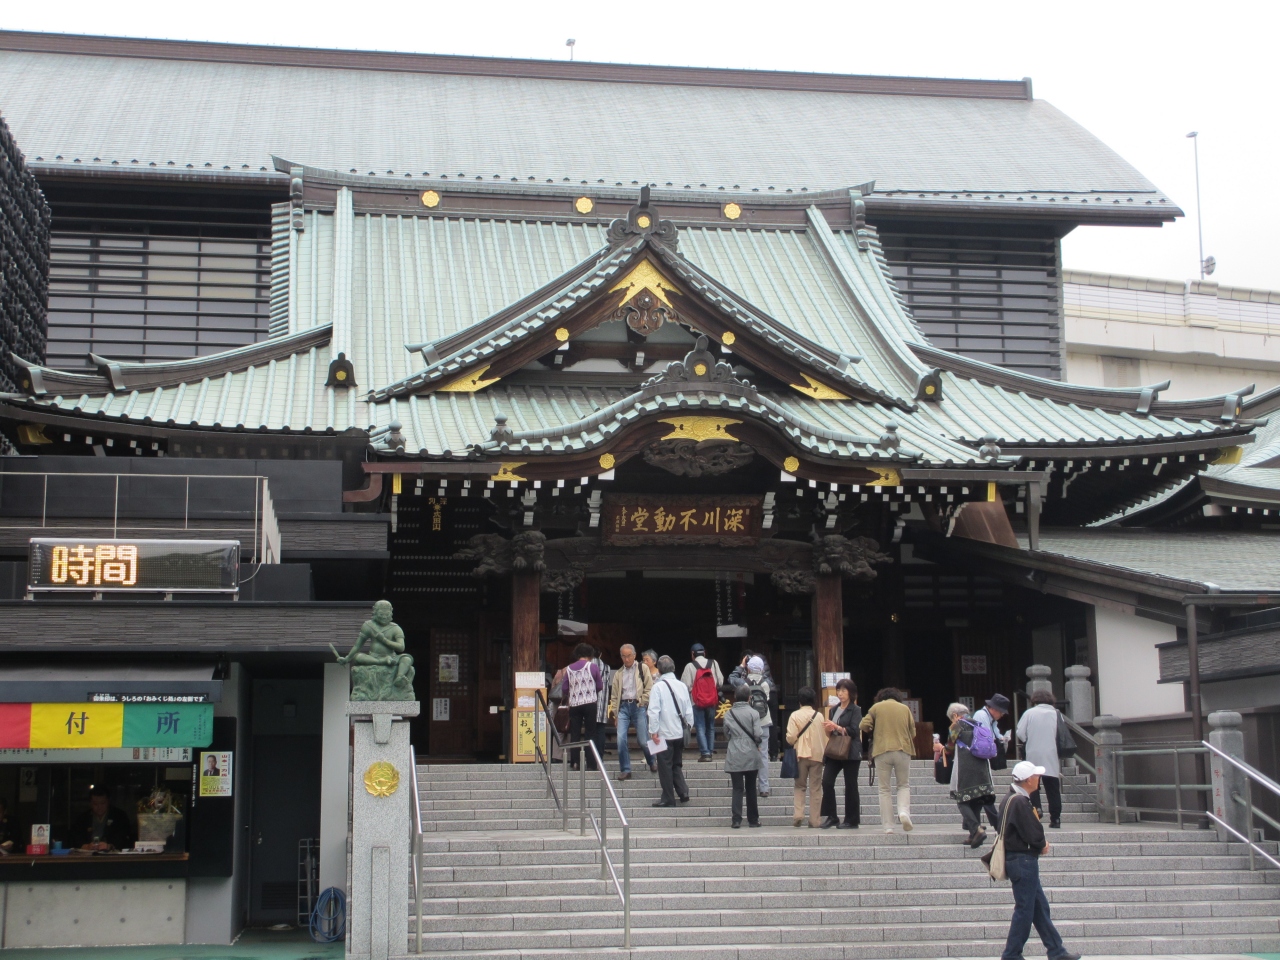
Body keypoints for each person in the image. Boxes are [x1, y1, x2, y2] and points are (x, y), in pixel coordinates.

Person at [998, 760, 1081, 960]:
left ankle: (1056, 950)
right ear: (1028, 780)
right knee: (1025, 909)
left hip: (1018, 859)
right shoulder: (1019, 801)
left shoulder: (1011, 798)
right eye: (1036, 776)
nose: (1039, 779)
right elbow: (1032, 832)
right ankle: (1011, 955)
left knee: (1038, 907)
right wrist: (1041, 844)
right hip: (1023, 860)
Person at [860, 687, 916, 833]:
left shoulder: (876, 707)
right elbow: (913, 733)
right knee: (903, 785)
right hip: (902, 750)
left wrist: (874, 728)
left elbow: (863, 725)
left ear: (880, 697)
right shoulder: (905, 709)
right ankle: (903, 812)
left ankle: (888, 826)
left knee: (884, 789)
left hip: (882, 750)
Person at [943, 702, 998, 847]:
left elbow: (949, 748)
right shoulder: (978, 724)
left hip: (966, 768)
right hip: (983, 768)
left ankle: (976, 829)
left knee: (962, 801)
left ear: (955, 715)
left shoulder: (956, 726)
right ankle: (973, 835)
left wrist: (940, 748)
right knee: (976, 800)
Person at [648, 655, 694, 807]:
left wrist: (653, 731)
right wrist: (689, 727)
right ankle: (683, 792)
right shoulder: (682, 686)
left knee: (665, 766)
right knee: (676, 763)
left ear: (659, 670)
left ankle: (668, 797)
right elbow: (688, 709)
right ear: (673, 668)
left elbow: (653, 711)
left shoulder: (658, 687)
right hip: (680, 732)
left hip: (664, 733)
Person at [607, 643, 655, 780]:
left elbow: (649, 688)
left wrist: (643, 701)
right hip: (623, 707)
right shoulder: (618, 673)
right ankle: (626, 769)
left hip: (638, 705)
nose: (626, 659)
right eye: (623, 656)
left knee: (643, 740)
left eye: (629, 656)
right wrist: (615, 713)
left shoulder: (642, 668)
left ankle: (652, 760)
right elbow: (614, 695)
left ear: (634, 655)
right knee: (621, 739)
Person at [820, 678, 862, 829]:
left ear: (851, 693)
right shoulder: (833, 710)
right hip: (835, 749)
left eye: (844, 690)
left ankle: (852, 820)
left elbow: (854, 731)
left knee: (850, 785)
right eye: (838, 690)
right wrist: (829, 729)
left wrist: (837, 727)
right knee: (826, 781)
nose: (840, 693)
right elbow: (831, 732)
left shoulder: (855, 710)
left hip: (851, 751)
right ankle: (832, 816)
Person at [1017, 690, 1063, 827]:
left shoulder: (1029, 713)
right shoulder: (1057, 714)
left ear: (1034, 700)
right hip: (1051, 753)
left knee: (1033, 784)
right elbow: (1061, 733)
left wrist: (1029, 739)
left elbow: (1020, 733)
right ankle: (1055, 819)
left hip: (1033, 752)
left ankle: (1037, 809)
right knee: (1053, 788)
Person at [722, 684, 765, 828]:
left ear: (735, 697)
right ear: (749, 697)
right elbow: (758, 734)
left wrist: (734, 739)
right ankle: (753, 819)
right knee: (751, 787)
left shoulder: (729, 714)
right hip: (751, 752)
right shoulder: (754, 713)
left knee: (737, 788)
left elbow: (726, 733)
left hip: (735, 751)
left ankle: (736, 819)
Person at [785, 686, 828, 827]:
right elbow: (824, 736)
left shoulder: (794, 715)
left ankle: (798, 815)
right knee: (816, 788)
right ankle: (815, 820)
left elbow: (791, 737)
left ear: (800, 701)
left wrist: (794, 741)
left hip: (800, 755)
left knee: (800, 786)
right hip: (817, 755)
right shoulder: (819, 716)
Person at [560, 642, 604, 771]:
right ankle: (591, 764)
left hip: (575, 705)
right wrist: (590, 690)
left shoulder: (569, 668)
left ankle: (575, 762)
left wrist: (574, 691)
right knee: (590, 733)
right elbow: (600, 686)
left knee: (575, 733)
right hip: (590, 703)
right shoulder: (593, 667)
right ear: (590, 655)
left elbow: (564, 688)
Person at [681, 643, 725, 761]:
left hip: (696, 701)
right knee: (711, 726)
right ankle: (710, 751)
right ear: (704, 653)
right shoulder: (713, 663)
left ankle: (705, 754)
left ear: (692, 654)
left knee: (700, 726)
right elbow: (720, 682)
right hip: (711, 700)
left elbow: (685, 685)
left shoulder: (690, 666)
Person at [743, 656, 773, 797]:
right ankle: (764, 787)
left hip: (748, 723)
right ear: (761, 668)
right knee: (763, 755)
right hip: (764, 721)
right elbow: (767, 699)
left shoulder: (745, 684)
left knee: (748, 756)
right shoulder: (765, 683)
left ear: (748, 668)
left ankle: (749, 786)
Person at [71, 786, 135, 851]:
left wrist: (109, 846)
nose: (99, 807)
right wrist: (86, 846)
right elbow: (76, 837)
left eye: (103, 803)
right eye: (95, 804)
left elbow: (123, 837)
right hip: (88, 854)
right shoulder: (83, 818)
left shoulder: (119, 816)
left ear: (108, 801)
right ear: (90, 803)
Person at [974, 693, 1012, 768]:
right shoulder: (982, 715)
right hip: (981, 755)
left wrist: (1003, 739)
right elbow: (986, 738)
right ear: (994, 708)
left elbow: (997, 735)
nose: (1002, 715)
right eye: (1001, 712)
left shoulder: (992, 720)